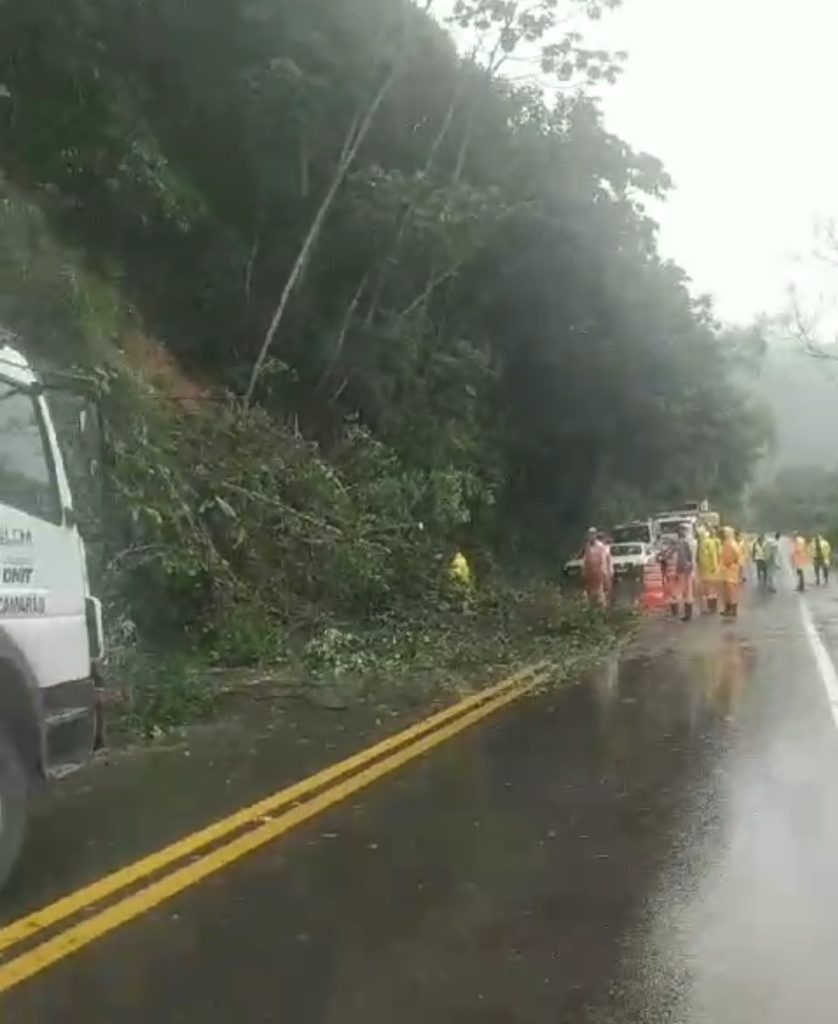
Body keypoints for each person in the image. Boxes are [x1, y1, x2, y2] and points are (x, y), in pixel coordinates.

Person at [582, 528, 610, 608]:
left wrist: (604, 572)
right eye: (589, 534)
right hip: (590, 572)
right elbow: (586, 559)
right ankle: (592, 608)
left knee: (599, 591)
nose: (590, 536)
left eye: (592, 534)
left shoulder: (600, 546)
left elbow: (603, 559)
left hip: (598, 572)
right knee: (590, 592)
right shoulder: (587, 546)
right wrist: (584, 570)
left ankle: (602, 608)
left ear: (595, 535)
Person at [720, 526, 744, 618]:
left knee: (731, 591)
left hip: (731, 569)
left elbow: (739, 557)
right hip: (726, 569)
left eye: (724, 533)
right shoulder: (726, 543)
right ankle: (727, 608)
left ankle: (733, 610)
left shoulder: (732, 544)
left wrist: (733, 564)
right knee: (726, 591)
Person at [675, 522, 697, 621]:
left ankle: (688, 615)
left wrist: (683, 569)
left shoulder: (684, 542)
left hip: (685, 570)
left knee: (687, 592)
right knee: (687, 591)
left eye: (682, 529)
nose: (680, 531)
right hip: (687, 569)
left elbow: (685, 558)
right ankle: (688, 613)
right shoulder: (690, 541)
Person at [697, 527, 720, 613]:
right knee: (707, 589)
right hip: (705, 570)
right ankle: (709, 606)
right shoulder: (702, 543)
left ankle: (712, 607)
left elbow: (713, 555)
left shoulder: (709, 543)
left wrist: (714, 567)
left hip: (709, 570)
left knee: (710, 589)